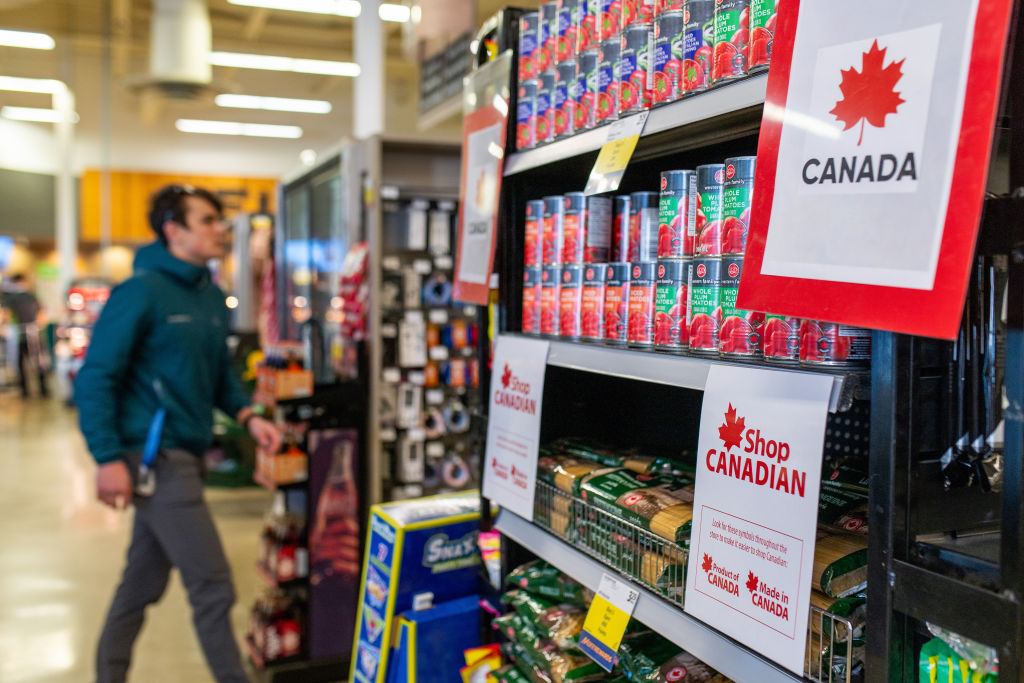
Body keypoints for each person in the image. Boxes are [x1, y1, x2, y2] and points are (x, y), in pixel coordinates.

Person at [75, 185, 282, 683]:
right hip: (154, 457)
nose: (219, 230)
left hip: (187, 453)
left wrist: (250, 415)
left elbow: (219, 378)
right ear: (174, 229)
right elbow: (96, 375)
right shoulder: (141, 291)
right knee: (213, 586)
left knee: (141, 583)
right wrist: (107, 457)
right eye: (207, 220)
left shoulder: (211, 296)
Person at [1, 273, 48, 398]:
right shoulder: (15, 298)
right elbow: (5, 315)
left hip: (29, 333)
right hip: (22, 334)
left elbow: (42, 312)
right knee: (25, 362)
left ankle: (36, 390)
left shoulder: (28, 296)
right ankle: (30, 390)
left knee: (35, 361)